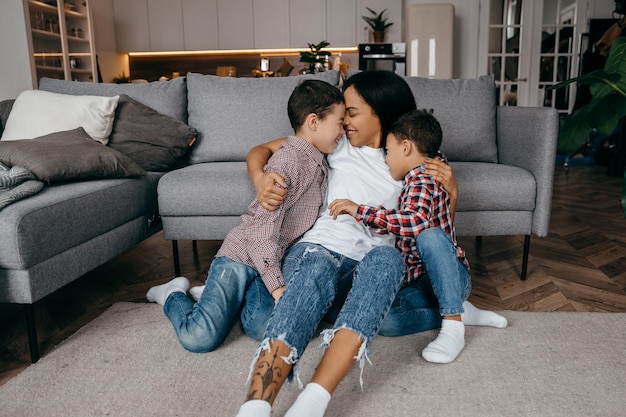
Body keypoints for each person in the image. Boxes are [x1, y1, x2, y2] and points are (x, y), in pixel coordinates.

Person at [236, 70, 507, 417]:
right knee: (313, 271)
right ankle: (256, 405)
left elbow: (435, 226)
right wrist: (260, 178)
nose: (344, 120)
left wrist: (453, 191)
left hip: (370, 264)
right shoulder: (337, 143)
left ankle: (313, 401)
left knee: (387, 260)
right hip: (319, 248)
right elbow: (262, 149)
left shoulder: (414, 158)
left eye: (351, 111)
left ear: (380, 111)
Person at [145, 79, 346, 352]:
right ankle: (173, 294)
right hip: (242, 256)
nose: (343, 130)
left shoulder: (318, 157)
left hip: (272, 259)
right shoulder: (288, 163)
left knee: (266, 327)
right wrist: (277, 289)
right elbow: (260, 231)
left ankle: (221, 297)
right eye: (339, 122)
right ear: (313, 121)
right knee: (200, 337)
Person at [329, 109, 507, 364]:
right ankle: (456, 309)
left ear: (406, 147)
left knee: (430, 236)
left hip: (450, 276)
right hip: (423, 283)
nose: (386, 159)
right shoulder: (426, 170)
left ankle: (453, 327)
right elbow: (403, 220)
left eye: (388, 151)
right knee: (387, 319)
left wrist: (360, 211)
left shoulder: (423, 179)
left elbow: (417, 221)